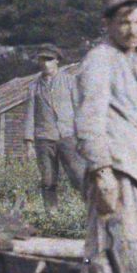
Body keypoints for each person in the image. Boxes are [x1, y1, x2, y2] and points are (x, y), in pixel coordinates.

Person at [74, 0, 137, 251]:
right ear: (108, 24)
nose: (132, 30)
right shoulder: (100, 60)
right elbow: (89, 120)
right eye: (124, 23)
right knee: (107, 250)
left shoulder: (136, 63)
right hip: (115, 174)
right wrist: (102, 171)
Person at [28, 46, 84, 203]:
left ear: (57, 61)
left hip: (67, 136)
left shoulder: (70, 81)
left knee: (78, 176)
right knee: (48, 180)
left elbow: (79, 108)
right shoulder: (34, 86)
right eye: (42, 60)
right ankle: (51, 214)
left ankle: (88, 210)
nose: (45, 64)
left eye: (49, 59)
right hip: (44, 138)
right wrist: (28, 143)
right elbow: (30, 114)